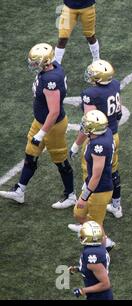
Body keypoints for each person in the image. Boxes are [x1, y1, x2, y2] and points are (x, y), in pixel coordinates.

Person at [0, 43, 75, 209]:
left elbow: (54, 111)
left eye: (36, 62)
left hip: (52, 126)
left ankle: (70, 195)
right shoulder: (51, 67)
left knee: (60, 160)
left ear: (46, 61)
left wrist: (42, 133)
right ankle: (20, 190)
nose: (33, 65)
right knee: (30, 154)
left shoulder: (51, 80)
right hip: (40, 121)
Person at [69, 60, 123, 218]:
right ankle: (116, 205)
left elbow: (87, 124)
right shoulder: (116, 85)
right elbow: (118, 113)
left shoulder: (91, 94)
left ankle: (87, 204)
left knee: (91, 173)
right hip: (114, 134)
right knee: (113, 170)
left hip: (98, 137)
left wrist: (76, 145)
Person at [68, 110, 115, 251]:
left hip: (100, 189)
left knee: (95, 224)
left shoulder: (99, 146)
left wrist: (84, 196)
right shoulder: (104, 134)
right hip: (93, 185)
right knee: (78, 213)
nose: (84, 127)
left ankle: (105, 245)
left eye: (87, 125)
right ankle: (90, 230)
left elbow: (96, 176)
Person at [69, 220, 113, 300]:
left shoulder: (92, 254)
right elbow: (92, 269)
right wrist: (78, 269)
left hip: (99, 297)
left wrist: (83, 290)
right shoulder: (99, 245)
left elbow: (105, 284)